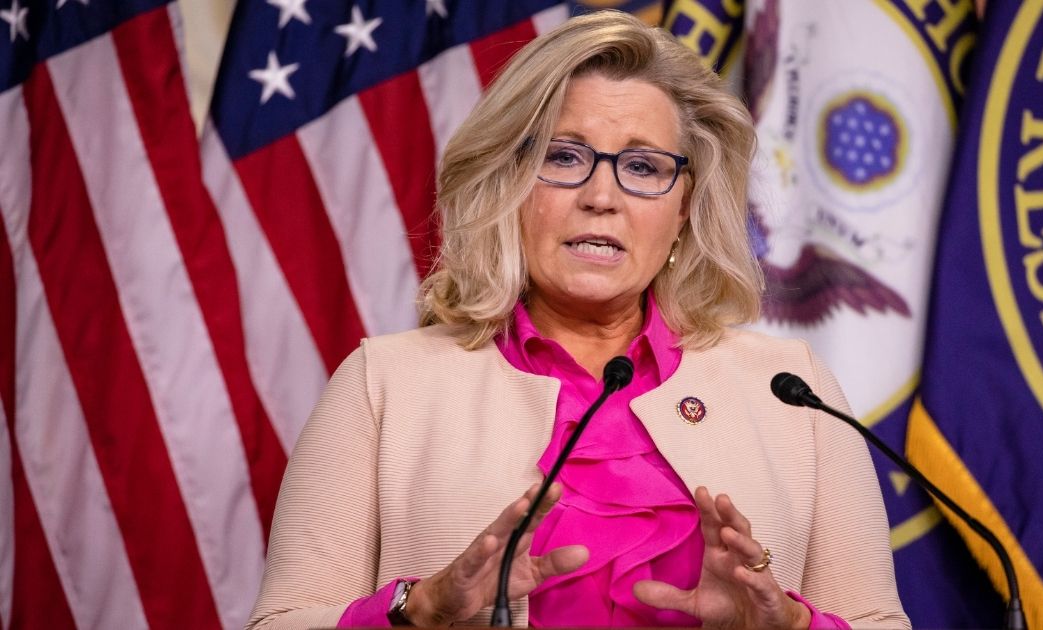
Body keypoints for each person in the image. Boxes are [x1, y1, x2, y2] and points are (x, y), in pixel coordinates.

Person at [247, 10, 908, 630]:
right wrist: (418, 610)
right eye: (563, 157)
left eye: (644, 167)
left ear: (684, 208)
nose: (601, 196)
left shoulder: (793, 390)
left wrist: (791, 624)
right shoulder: (384, 384)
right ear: (508, 182)